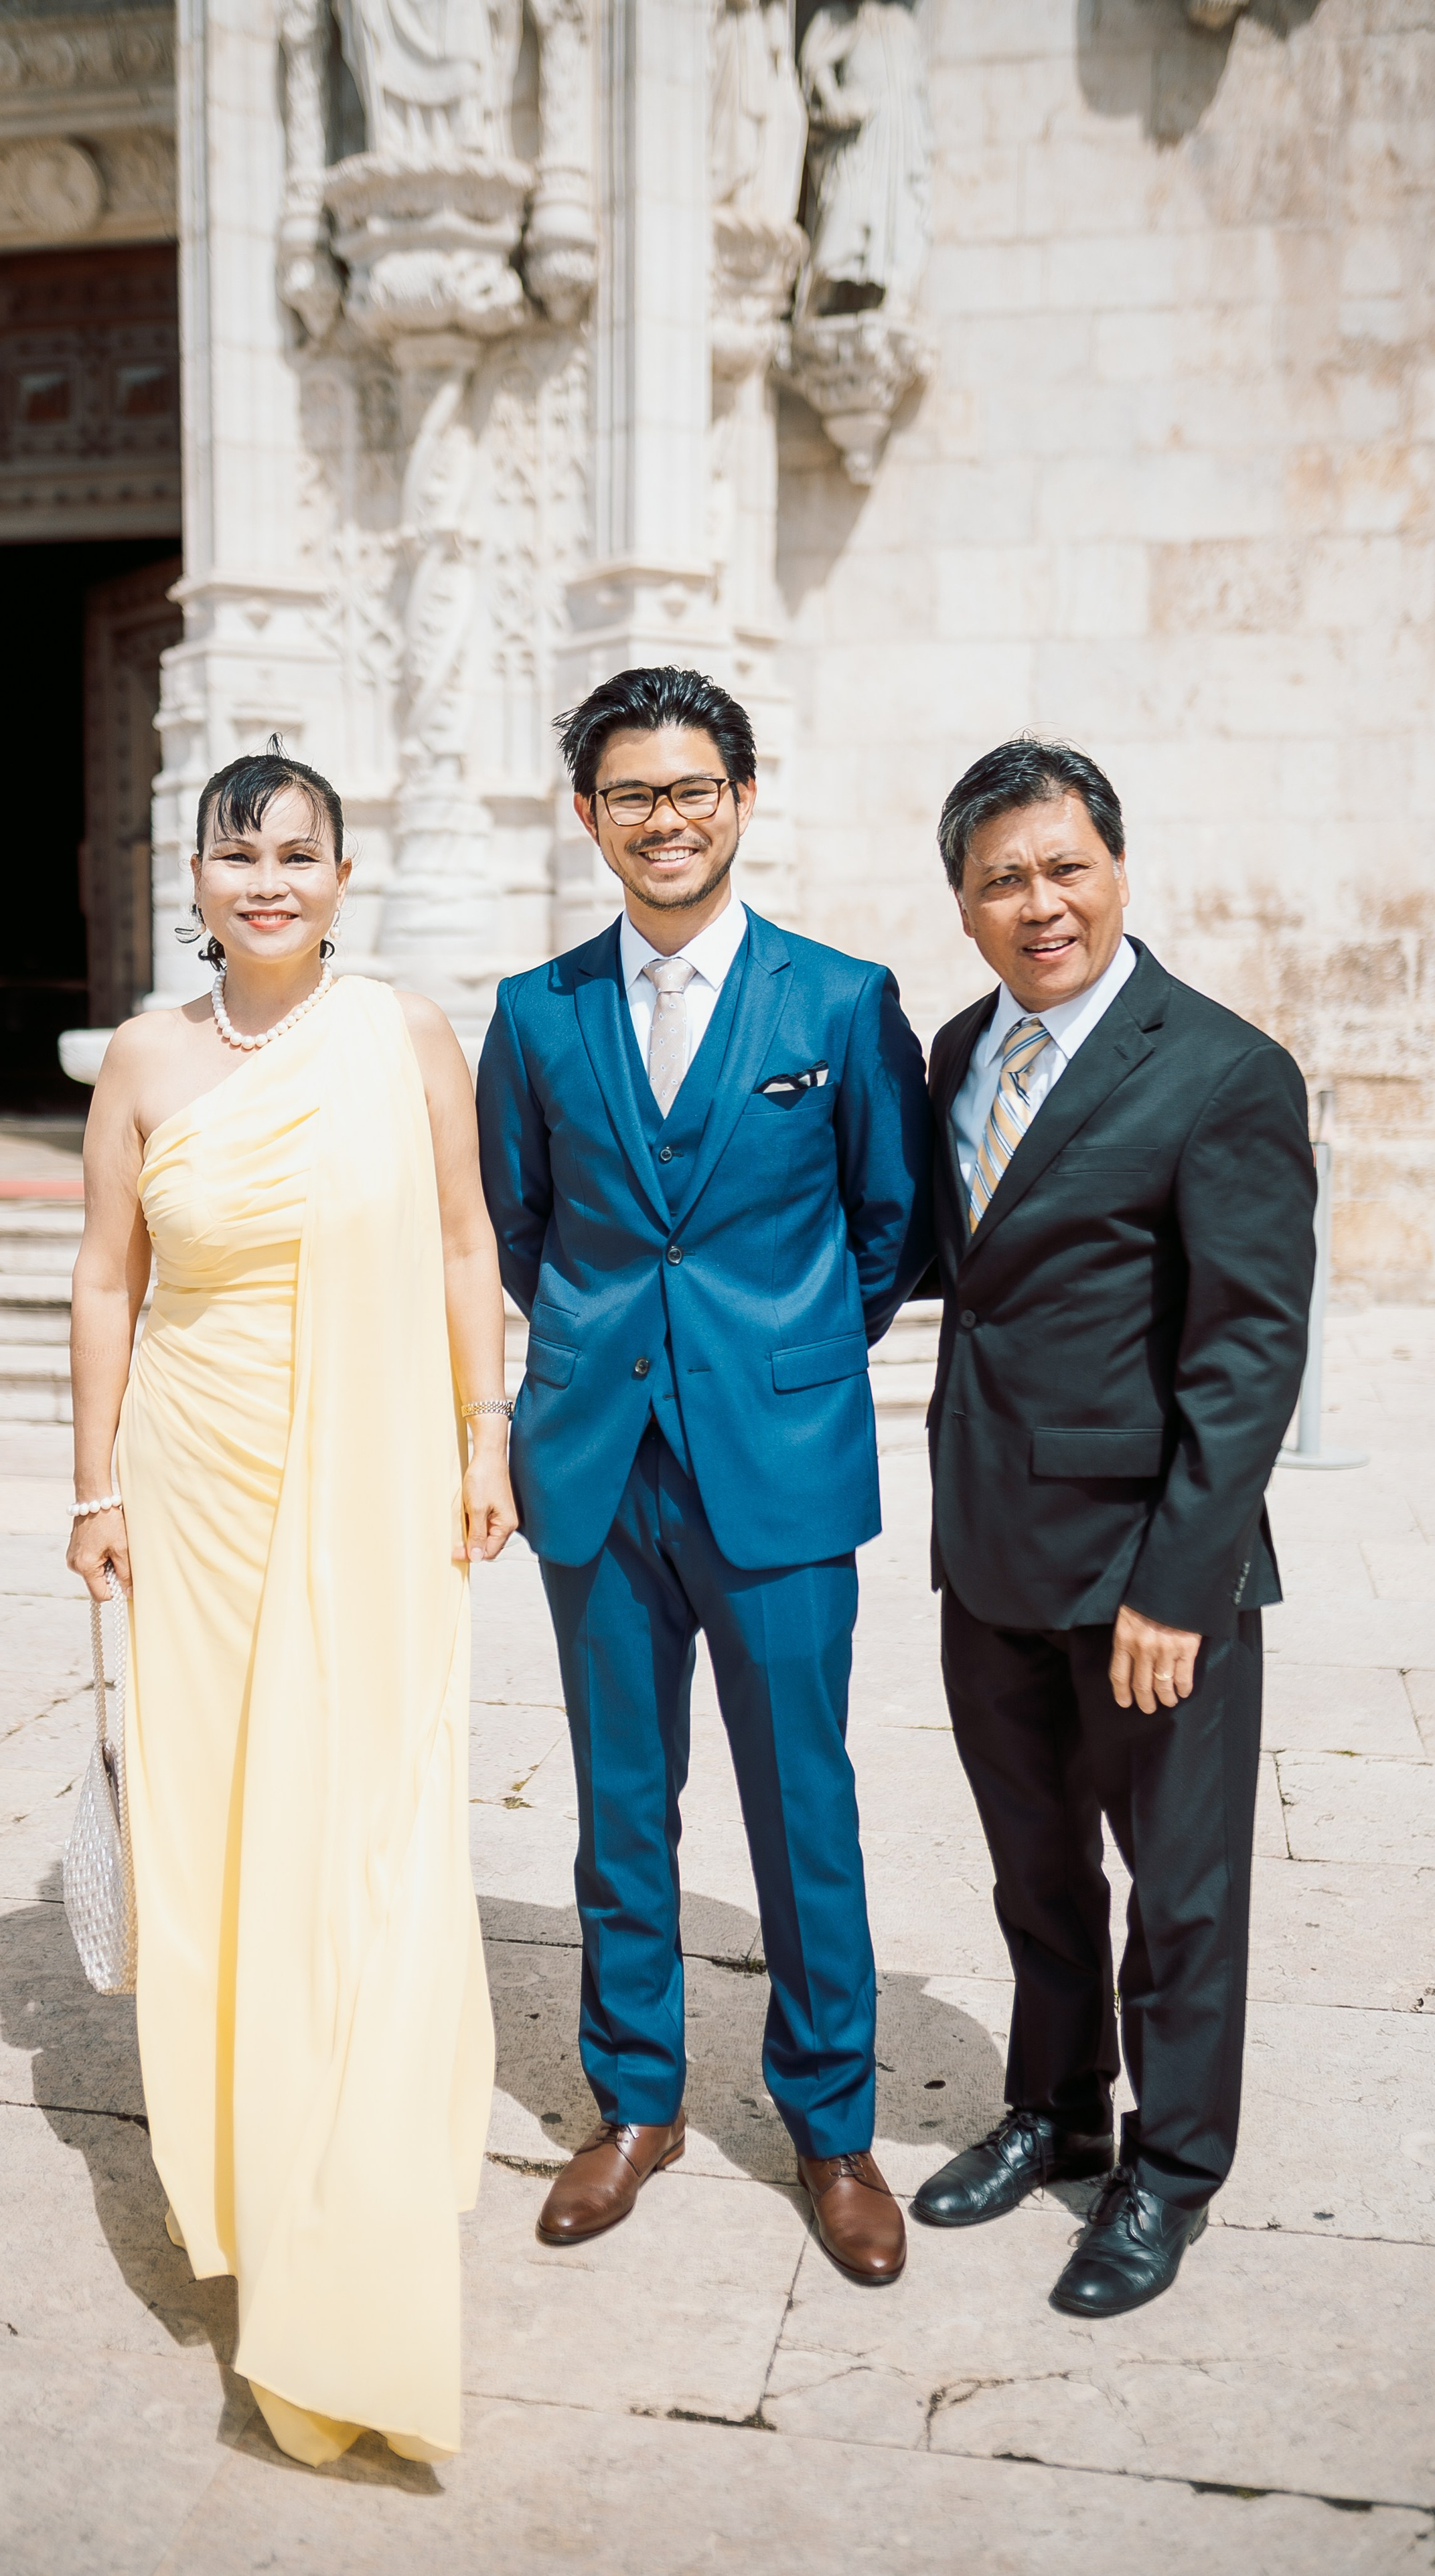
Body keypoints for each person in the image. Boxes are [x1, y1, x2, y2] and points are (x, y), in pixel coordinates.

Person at [66, 742, 516, 2466]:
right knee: (218, 1838)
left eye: (299, 852)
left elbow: (469, 1242)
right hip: (188, 1486)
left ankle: (361, 2184)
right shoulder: (144, 1058)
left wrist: (484, 1438)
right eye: (236, 851)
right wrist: (93, 1481)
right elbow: (108, 1276)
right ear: (191, 878)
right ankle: (250, 2184)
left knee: (361, 1824)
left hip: (375, 1478)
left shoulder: (400, 1034)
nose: (267, 878)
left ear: (344, 877)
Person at [476, 665, 932, 2283]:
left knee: (804, 1802)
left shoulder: (839, 1001)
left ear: (740, 797)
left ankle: (830, 2127)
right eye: (629, 795)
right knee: (617, 1807)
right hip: (596, 1465)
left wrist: (774, 1358)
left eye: (689, 789)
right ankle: (634, 2102)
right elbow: (520, 1231)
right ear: (586, 814)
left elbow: (890, 1231)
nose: (661, 819)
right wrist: (609, 1368)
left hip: (780, 1461)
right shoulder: (536, 1014)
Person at [913, 737, 1315, 2317]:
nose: (1038, 903)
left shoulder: (1220, 1070)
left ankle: (1167, 2173)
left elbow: (1245, 1352)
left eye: (1062, 866)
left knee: (1183, 1889)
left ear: (1118, 869)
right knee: (1033, 1874)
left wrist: (1179, 1582)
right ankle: (1054, 2107)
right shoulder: (956, 1050)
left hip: (1150, 1572)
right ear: (961, 903)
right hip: (990, 1551)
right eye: (1000, 878)